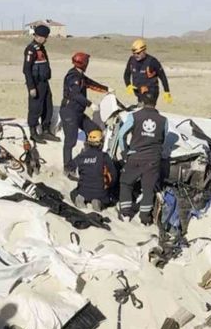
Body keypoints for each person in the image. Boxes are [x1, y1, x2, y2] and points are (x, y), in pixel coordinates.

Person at [116, 87, 168, 225]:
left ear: (143, 101)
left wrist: (124, 151)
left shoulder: (134, 116)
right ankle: (145, 218)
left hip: (135, 156)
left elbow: (121, 135)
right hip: (153, 159)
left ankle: (125, 213)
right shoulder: (164, 120)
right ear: (156, 102)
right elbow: (163, 139)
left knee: (126, 183)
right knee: (148, 189)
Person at [60, 52, 111, 177]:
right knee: (70, 141)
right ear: (84, 63)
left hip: (78, 112)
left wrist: (106, 89)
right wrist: (90, 104)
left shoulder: (80, 76)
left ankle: (88, 154)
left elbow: (91, 83)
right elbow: (75, 95)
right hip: (69, 112)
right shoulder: (74, 77)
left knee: (95, 130)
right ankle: (68, 167)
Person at [23, 25, 59, 143]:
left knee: (47, 106)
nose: (46, 39)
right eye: (44, 37)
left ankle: (46, 130)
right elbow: (27, 69)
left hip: (44, 82)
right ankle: (33, 132)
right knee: (35, 107)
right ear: (37, 36)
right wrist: (31, 87)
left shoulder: (41, 48)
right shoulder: (31, 49)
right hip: (36, 83)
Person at [68, 129, 118, 211]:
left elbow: (71, 166)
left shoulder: (81, 156)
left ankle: (80, 198)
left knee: (73, 193)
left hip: (83, 190)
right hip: (100, 192)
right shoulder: (104, 156)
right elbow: (113, 175)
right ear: (101, 142)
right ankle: (99, 202)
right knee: (109, 198)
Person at [123, 39, 172, 106]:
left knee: (147, 110)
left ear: (144, 51)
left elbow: (162, 76)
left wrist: (167, 91)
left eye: (138, 53)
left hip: (151, 92)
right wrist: (128, 85)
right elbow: (126, 74)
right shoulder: (131, 60)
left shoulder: (152, 61)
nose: (136, 55)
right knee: (140, 109)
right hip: (139, 92)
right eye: (134, 53)